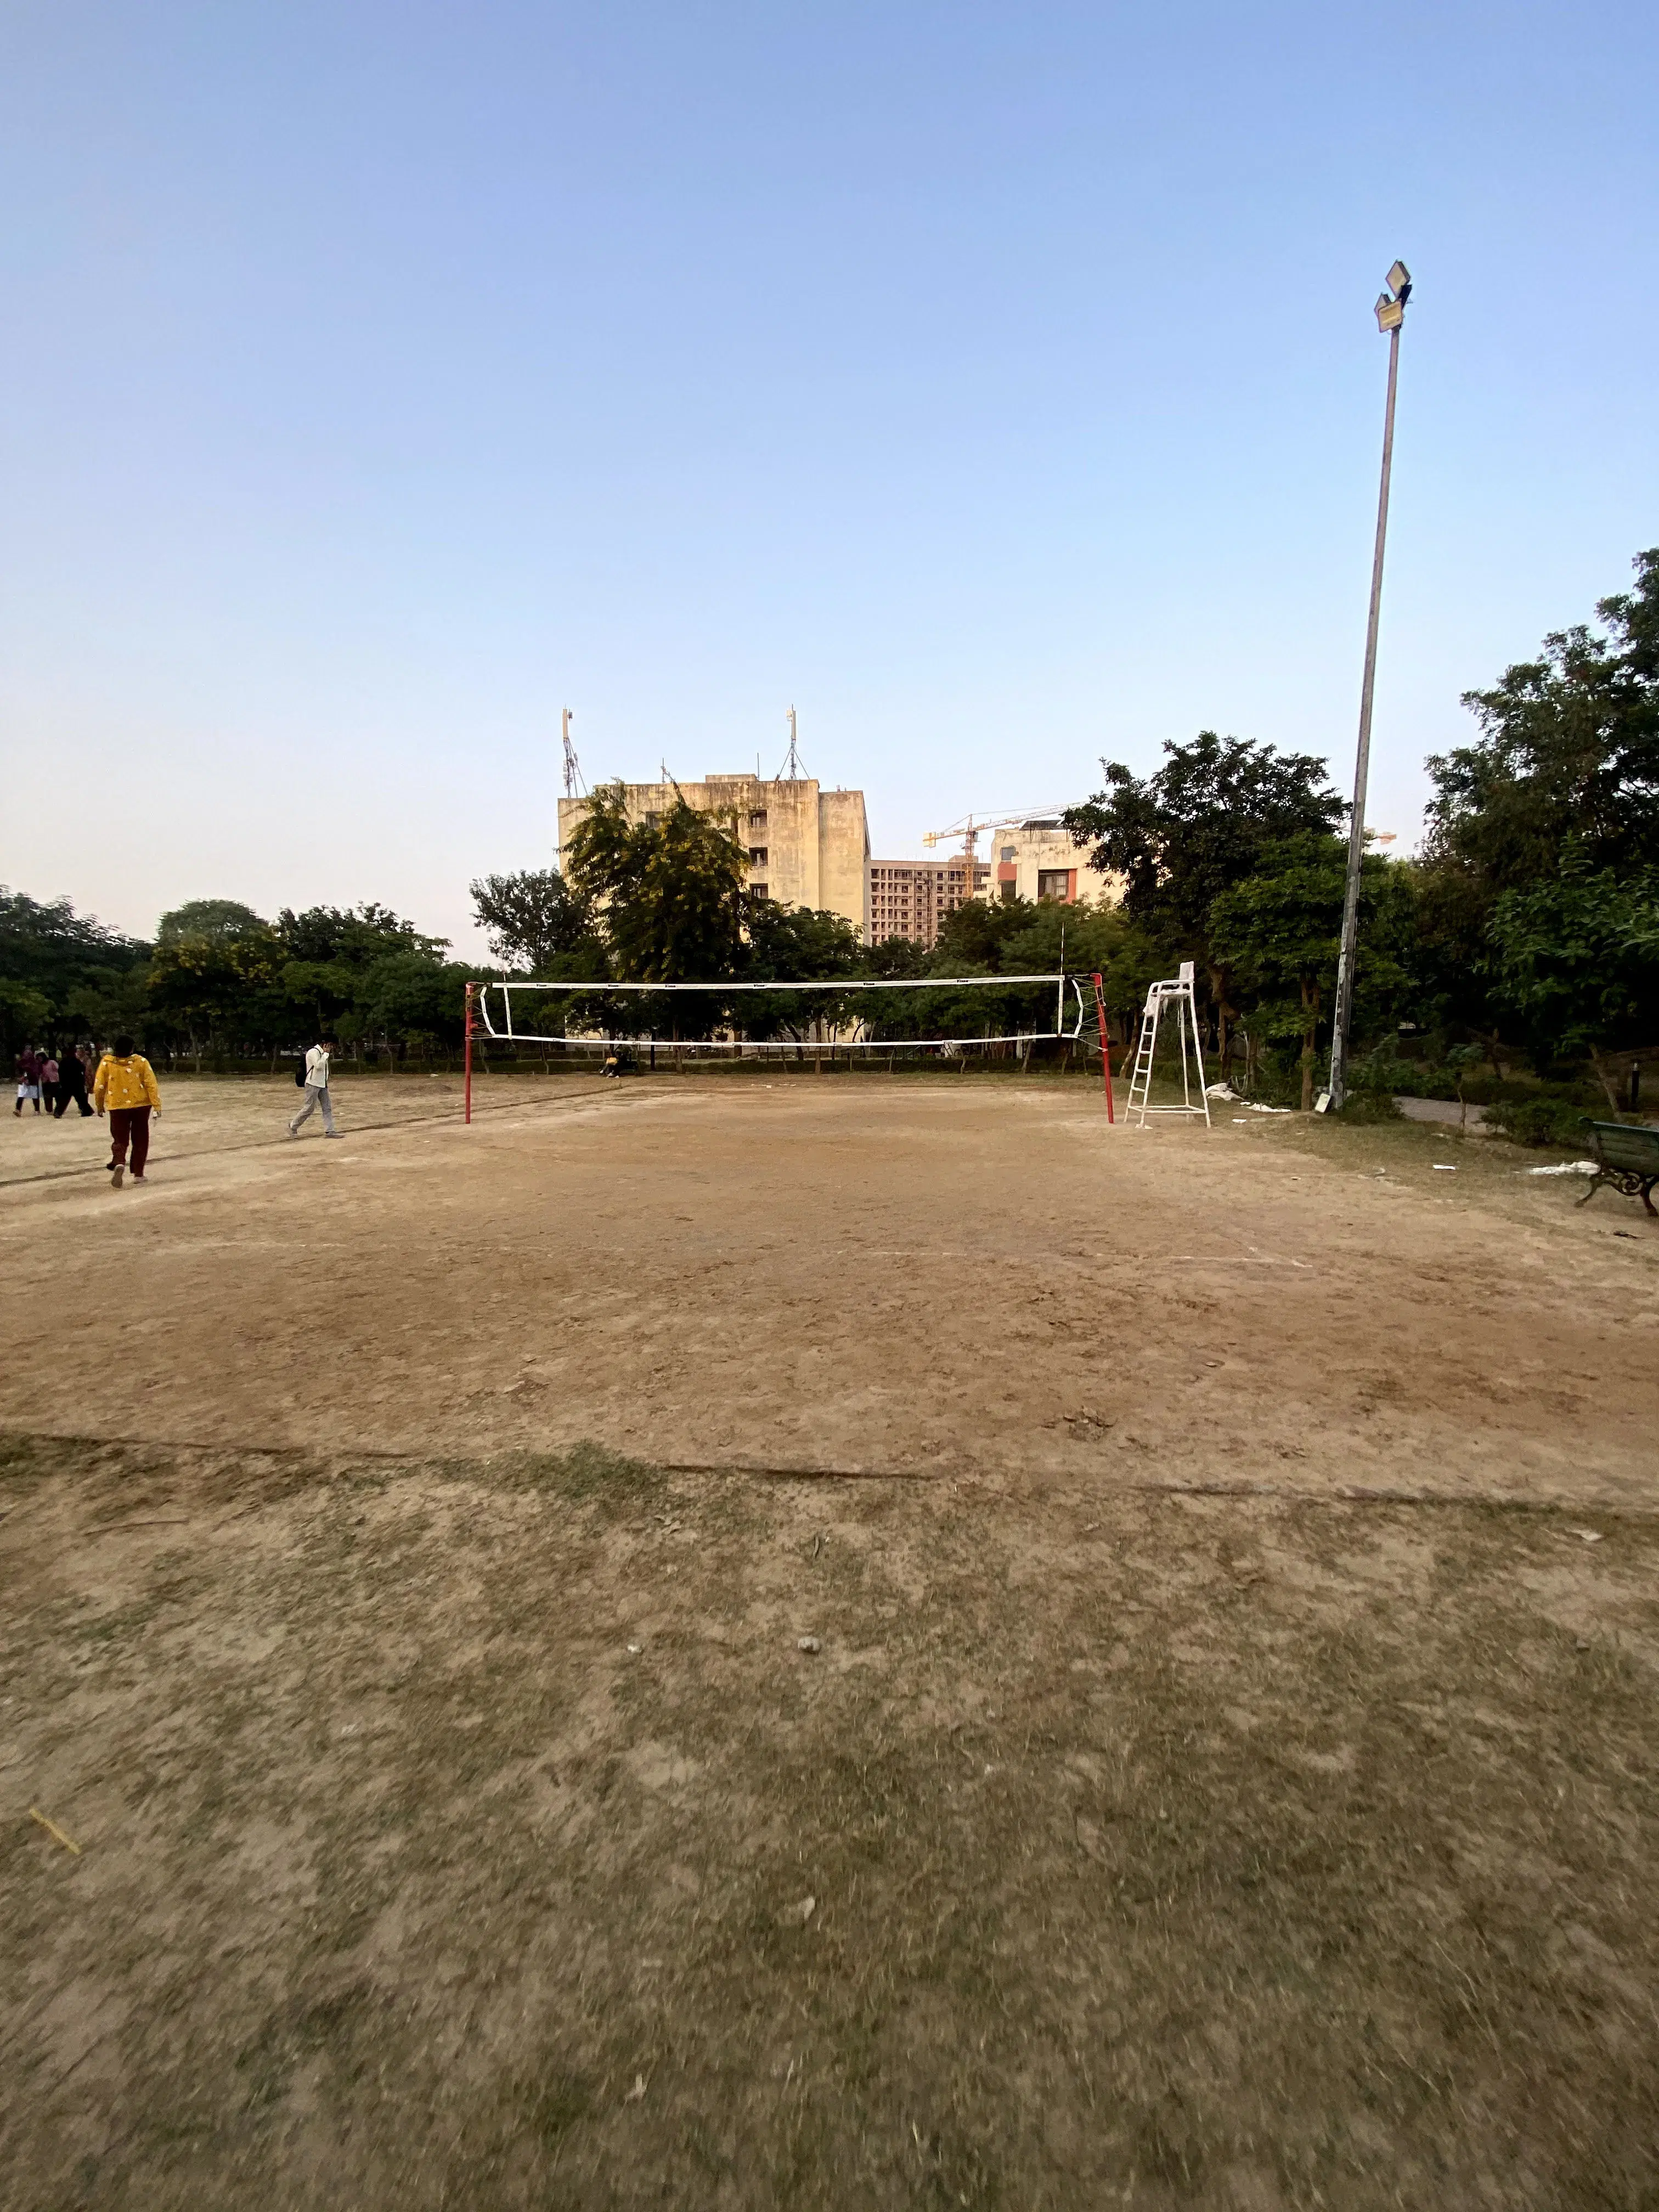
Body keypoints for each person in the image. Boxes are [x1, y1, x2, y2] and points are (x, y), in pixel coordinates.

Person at [94, 1033, 162, 1188]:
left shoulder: (107, 1063)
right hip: (141, 1105)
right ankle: (139, 1174)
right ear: (132, 1048)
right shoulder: (141, 1062)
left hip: (117, 1106)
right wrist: (157, 1105)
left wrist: (99, 1106)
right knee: (140, 1139)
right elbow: (151, 1084)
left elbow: (99, 1087)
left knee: (120, 1138)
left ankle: (119, 1161)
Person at [288, 1034, 342, 1138]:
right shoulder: (313, 1052)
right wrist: (326, 1055)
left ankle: (330, 1131)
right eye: (331, 1045)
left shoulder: (322, 1053)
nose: (332, 1048)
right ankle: (292, 1126)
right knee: (309, 1108)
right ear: (326, 1044)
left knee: (327, 1108)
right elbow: (318, 1066)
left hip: (322, 1084)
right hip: (312, 1084)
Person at [53, 1044, 94, 1118]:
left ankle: (58, 1113)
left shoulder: (63, 1062)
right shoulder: (76, 1061)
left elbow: (60, 1073)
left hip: (67, 1084)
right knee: (81, 1099)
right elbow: (82, 1070)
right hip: (77, 1083)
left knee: (64, 1099)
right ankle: (87, 1111)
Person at [14, 1047, 42, 1116]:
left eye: (29, 1054)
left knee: (34, 1096)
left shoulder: (35, 1063)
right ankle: (18, 1110)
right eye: (26, 1054)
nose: (27, 1055)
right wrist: (21, 1078)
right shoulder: (21, 1062)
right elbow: (18, 1071)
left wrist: (27, 1078)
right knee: (21, 1095)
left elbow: (35, 1072)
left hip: (33, 1080)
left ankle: (37, 1111)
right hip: (23, 1081)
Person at [39, 1051, 59, 1116]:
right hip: (46, 1082)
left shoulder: (52, 1062)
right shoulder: (40, 1065)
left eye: (40, 1058)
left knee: (57, 1096)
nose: (40, 1059)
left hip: (55, 1082)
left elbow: (58, 1069)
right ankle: (49, 1110)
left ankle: (59, 1109)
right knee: (47, 1097)